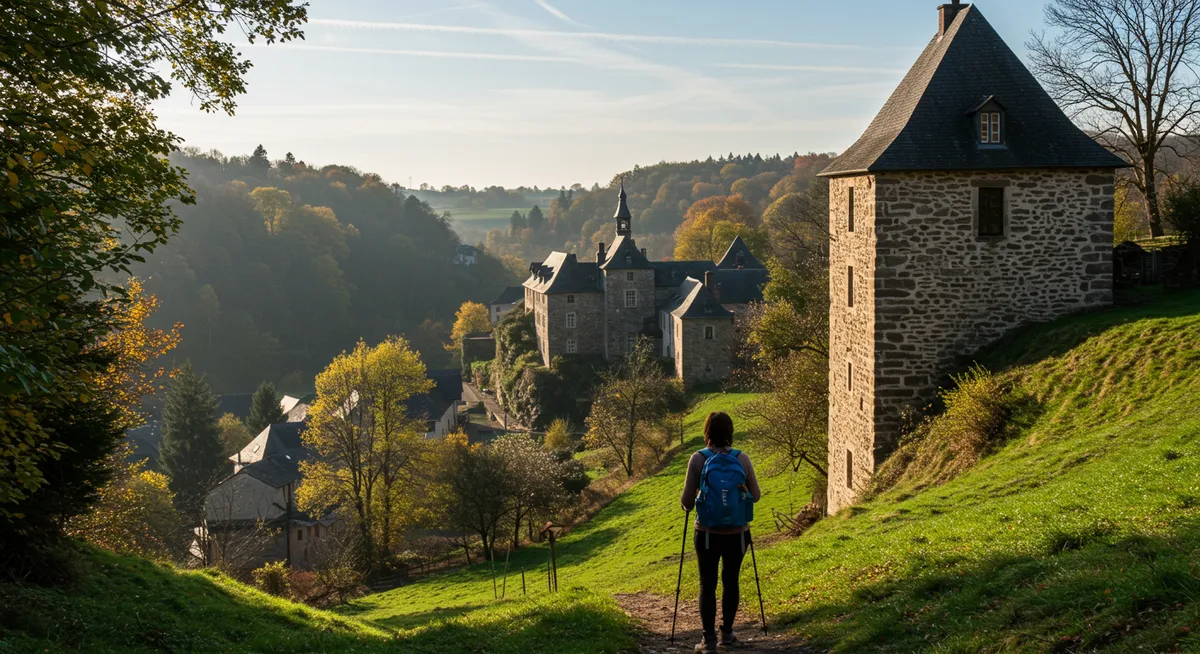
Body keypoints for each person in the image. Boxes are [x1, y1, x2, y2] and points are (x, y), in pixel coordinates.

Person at [680, 411, 761, 652]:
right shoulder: (742, 459)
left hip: (706, 533)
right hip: (737, 533)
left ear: (707, 433)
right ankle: (727, 634)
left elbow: (687, 502)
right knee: (731, 581)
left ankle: (709, 640)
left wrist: (691, 499)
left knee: (707, 584)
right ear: (730, 433)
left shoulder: (698, 459)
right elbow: (755, 496)